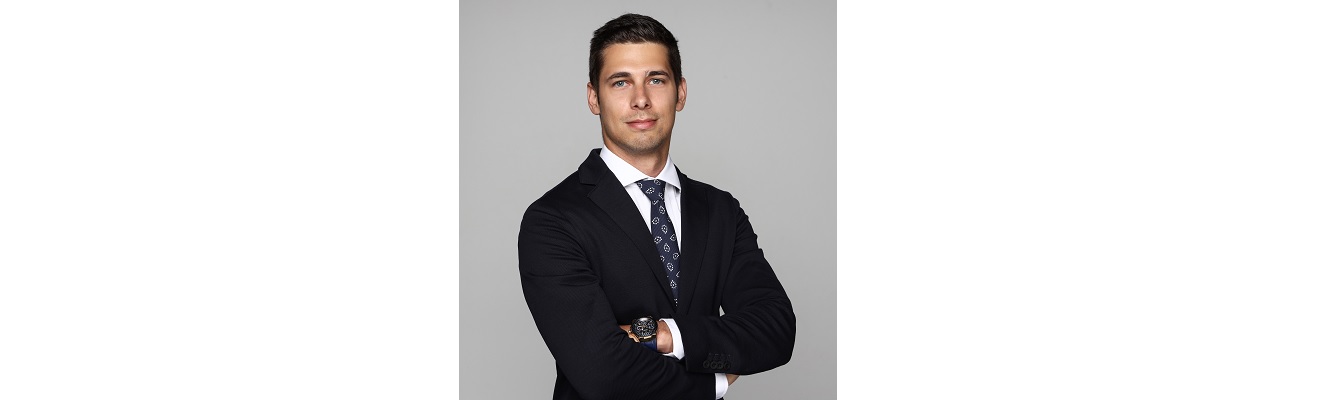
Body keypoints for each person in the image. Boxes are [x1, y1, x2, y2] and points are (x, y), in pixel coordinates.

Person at [518, 13, 796, 400]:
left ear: (680, 93)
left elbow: (776, 329)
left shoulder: (720, 210)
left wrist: (665, 335)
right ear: (594, 98)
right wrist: (713, 383)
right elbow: (602, 373)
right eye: (620, 82)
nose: (641, 99)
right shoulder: (553, 220)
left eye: (656, 80)